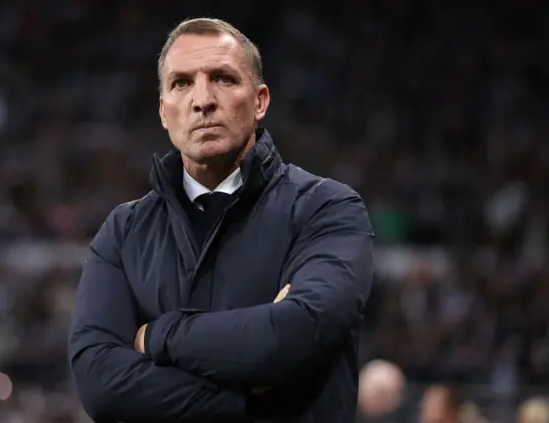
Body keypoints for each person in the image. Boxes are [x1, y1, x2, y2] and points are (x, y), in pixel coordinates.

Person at [68, 17, 374, 423]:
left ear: (260, 101)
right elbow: (99, 383)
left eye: (223, 79)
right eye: (181, 83)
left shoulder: (326, 209)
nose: (202, 100)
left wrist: (157, 336)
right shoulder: (123, 232)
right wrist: (252, 401)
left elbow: (293, 337)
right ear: (163, 112)